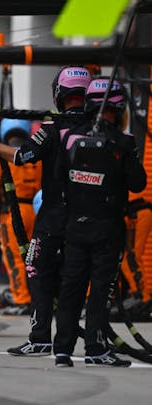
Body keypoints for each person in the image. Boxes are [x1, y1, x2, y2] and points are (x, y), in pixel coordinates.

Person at [0, 66, 92, 356]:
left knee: (36, 268)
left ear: (60, 93)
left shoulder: (51, 129)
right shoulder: (100, 130)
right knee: (79, 278)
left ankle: (41, 336)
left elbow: (21, 157)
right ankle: (94, 341)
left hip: (54, 218)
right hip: (91, 219)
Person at [53, 77, 146, 367]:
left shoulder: (68, 137)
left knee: (71, 289)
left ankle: (63, 350)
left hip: (75, 227)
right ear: (118, 109)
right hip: (107, 230)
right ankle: (95, 349)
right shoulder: (124, 142)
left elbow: (57, 179)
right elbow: (139, 183)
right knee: (100, 290)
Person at [0, 118, 42, 315]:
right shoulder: (36, 156)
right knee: (35, 258)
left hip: (13, 213)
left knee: (14, 257)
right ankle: (37, 297)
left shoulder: (2, 155)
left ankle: (22, 299)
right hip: (36, 209)